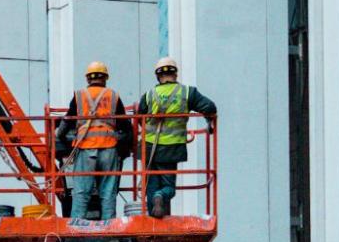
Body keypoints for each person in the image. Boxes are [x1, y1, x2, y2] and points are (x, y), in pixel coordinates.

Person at [134, 56, 217, 218]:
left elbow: (139, 118)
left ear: (158, 76)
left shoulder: (149, 95)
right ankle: (162, 196)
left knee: (151, 184)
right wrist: (209, 121)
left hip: (150, 148)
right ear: (175, 74)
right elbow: (210, 106)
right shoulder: (187, 93)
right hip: (172, 148)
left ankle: (154, 217)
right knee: (168, 186)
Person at [55, 61, 131, 222]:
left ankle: (77, 225)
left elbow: (67, 121)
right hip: (109, 149)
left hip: (85, 149)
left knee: (82, 190)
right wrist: (122, 145)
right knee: (108, 191)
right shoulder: (113, 96)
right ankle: (108, 225)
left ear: (88, 79)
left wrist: (61, 138)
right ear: (105, 78)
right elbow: (126, 126)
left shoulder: (79, 96)